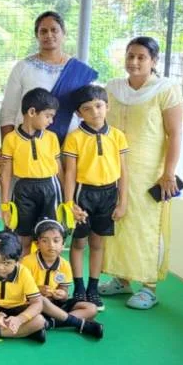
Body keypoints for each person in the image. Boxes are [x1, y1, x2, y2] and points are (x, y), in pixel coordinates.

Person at [100, 37, 183, 310]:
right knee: (119, 222)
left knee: (147, 227)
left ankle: (149, 287)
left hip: (150, 173)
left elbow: (175, 134)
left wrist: (168, 173)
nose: (134, 62)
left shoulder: (166, 89)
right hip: (115, 169)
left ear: (154, 61)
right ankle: (121, 280)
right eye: (130, 56)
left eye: (141, 57)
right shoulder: (113, 88)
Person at [62, 85, 129, 311]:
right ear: (79, 113)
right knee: (79, 242)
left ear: (107, 107)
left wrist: (122, 202)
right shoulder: (74, 138)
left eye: (99, 106)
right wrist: (69, 203)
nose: (95, 112)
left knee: (98, 243)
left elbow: (124, 172)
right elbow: (69, 173)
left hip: (108, 194)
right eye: (87, 109)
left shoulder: (118, 136)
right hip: (83, 194)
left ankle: (93, 288)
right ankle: (79, 288)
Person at [0, 11, 97, 143]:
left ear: (63, 33)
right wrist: (7, 146)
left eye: (54, 30)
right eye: (43, 31)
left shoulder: (79, 71)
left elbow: (89, 113)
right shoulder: (23, 67)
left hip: (70, 145)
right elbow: (8, 111)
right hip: (27, 145)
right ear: (37, 35)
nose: (49, 35)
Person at [0, 88, 62, 255]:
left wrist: (68, 200)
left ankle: (46, 270)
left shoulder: (51, 137)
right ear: (32, 112)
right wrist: (4, 205)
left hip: (50, 188)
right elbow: (6, 173)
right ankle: (24, 270)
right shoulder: (10, 139)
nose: (51, 121)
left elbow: (59, 169)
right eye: (48, 116)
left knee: (49, 236)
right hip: (23, 190)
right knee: (23, 238)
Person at [21, 220, 103, 339]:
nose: (51, 245)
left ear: (63, 244)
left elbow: (64, 292)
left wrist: (62, 294)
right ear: (37, 244)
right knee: (41, 300)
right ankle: (73, 322)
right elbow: (19, 290)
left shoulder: (64, 264)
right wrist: (37, 290)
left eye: (56, 240)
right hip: (33, 305)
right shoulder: (27, 262)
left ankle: (49, 324)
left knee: (91, 309)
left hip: (56, 305)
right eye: (45, 241)